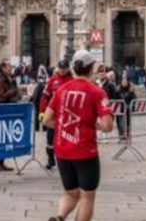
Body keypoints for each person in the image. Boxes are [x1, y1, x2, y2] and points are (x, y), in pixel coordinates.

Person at [45, 51, 115, 221]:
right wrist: (95, 125)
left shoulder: (61, 90)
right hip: (84, 151)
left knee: (71, 193)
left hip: (62, 151)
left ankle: (60, 217)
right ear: (91, 68)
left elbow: (47, 119)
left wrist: (63, 126)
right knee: (87, 196)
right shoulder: (96, 92)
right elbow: (107, 126)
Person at [0, 60, 22, 172]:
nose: (10, 68)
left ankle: (1, 162)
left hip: (7, 112)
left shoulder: (10, 79)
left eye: (11, 67)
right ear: (2, 68)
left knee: (5, 138)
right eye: (8, 67)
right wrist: (12, 92)